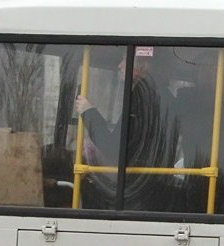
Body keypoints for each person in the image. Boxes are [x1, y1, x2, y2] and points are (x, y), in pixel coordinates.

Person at [74, 53, 181, 209]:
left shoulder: (142, 96)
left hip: (134, 192)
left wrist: (89, 112)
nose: (120, 65)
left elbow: (114, 148)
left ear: (145, 66)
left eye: (126, 59)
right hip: (154, 191)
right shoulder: (166, 98)